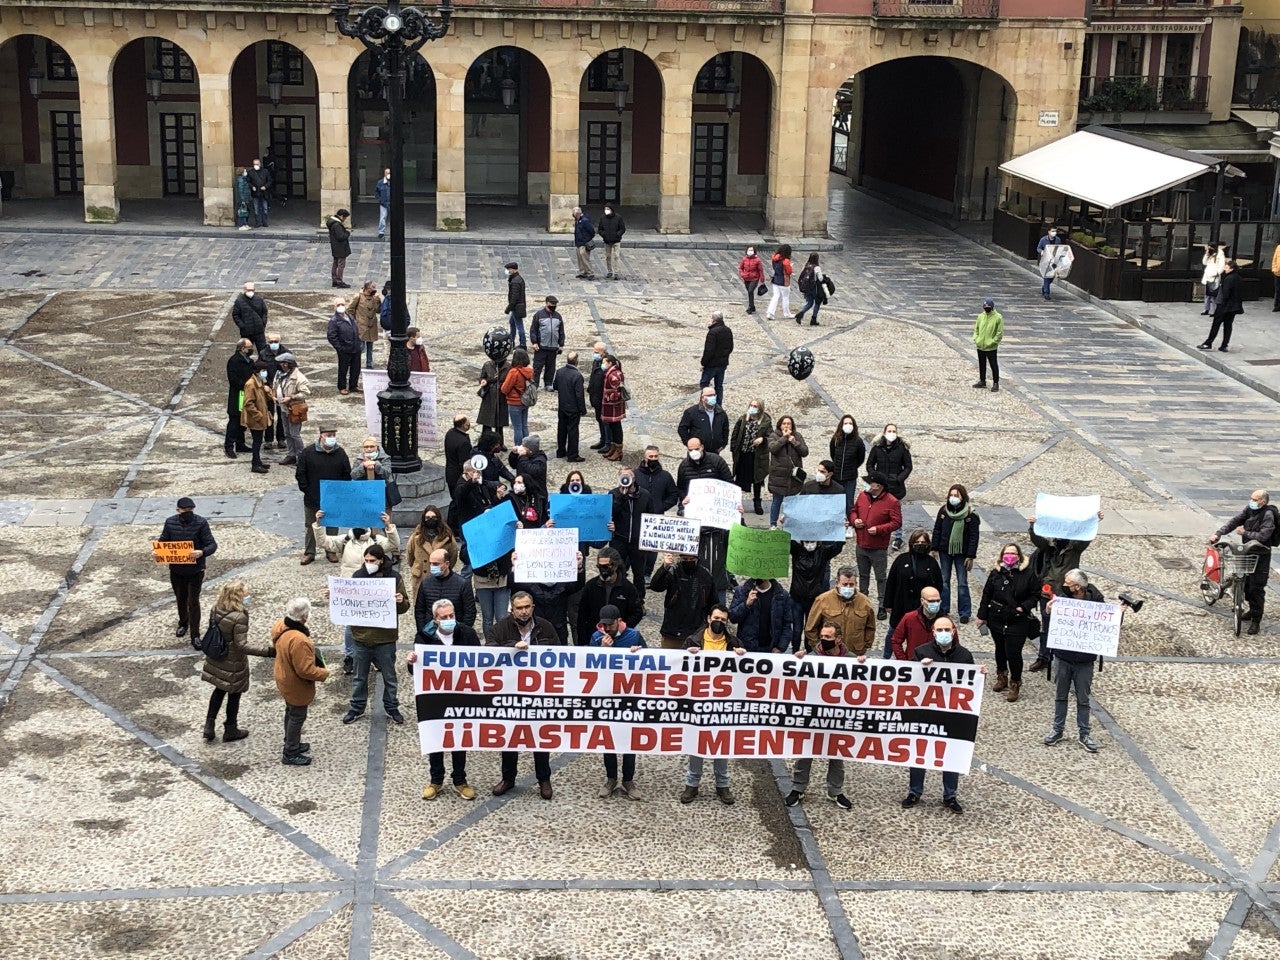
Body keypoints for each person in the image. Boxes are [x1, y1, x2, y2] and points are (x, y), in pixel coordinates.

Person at [901, 616, 985, 814]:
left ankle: (950, 795)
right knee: (919, 751)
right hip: (925, 712)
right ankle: (915, 791)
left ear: (954, 631)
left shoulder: (964, 655)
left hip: (953, 714)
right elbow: (909, 681)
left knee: (951, 752)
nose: (944, 633)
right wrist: (920, 667)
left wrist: (979, 674)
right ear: (933, 632)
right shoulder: (921, 651)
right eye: (940, 630)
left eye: (947, 629)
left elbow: (970, 684)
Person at [1043, 570, 1128, 752]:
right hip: (1063, 656)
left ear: (1078, 587)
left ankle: (1084, 733)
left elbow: (1107, 625)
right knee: (1060, 696)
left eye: (1068, 583)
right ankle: (1057, 730)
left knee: (1083, 699)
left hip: (1084, 661)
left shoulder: (1095, 599)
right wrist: (1049, 612)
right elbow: (1052, 625)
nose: (1065, 585)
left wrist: (1118, 614)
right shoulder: (1062, 596)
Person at [491, 592, 563, 799]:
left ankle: (544, 779)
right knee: (510, 737)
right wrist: (510, 648)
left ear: (533, 607)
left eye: (527, 607)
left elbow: (560, 655)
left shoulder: (546, 627)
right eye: (519, 608)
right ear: (511, 609)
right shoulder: (500, 628)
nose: (523, 611)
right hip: (509, 693)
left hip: (539, 693)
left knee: (539, 738)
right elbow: (489, 651)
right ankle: (508, 778)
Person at [408, 599, 481, 799]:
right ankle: (436, 780)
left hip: (461, 696)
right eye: (444, 617)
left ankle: (460, 780)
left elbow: (481, 663)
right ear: (435, 619)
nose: (449, 620)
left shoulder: (467, 634)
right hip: (435, 697)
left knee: (459, 738)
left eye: (451, 616)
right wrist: (412, 661)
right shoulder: (424, 637)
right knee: (436, 738)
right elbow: (415, 672)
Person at [314, 509, 400, 675]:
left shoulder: (376, 540)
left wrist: (389, 526)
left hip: (372, 590)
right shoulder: (345, 540)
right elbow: (324, 542)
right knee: (349, 627)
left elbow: (393, 543)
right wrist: (318, 524)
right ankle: (350, 656)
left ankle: (374, 657)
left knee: (373, 623)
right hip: (350, 590)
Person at [784, 621, 853, 810]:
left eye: (828, 637)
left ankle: (835, 791)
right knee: (806, 752)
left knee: (836, 755)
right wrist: (796, 662)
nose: (824, 640)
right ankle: (798, 787)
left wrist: (864, 665)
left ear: (838, 639)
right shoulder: (811, 658)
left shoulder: (852, 660)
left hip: (838, 716)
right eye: (822, 637)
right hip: (812, 715)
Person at [681, 605, 744, 804]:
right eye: (717, 618)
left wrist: (743, 657)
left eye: (724, 620)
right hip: (699, 701)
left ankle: (722, 785)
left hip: (724, 702)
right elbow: (679, 671)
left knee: (721, 743)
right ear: (709, 618)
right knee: (697, 742)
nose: (719, 622)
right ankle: (692, 784)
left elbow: (745, 675)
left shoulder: (733, 643)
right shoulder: (693, 641)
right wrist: (686, 656)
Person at [1026, 509, 1103, 671]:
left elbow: (1086, 537)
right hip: (1047, 593)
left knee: (1066, 627)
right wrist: (1032, 526)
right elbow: (1037, 540)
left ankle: (1066, 658)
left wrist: (1094, 521)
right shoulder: (1049, 546)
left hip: (1068, 595)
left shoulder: (1075, 547)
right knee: (1046, 627)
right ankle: (1043, 657)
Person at [343, 543, 409, 725]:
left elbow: (405, 607)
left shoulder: (394, 578)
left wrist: (401, 601)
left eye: (372, 560)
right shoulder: (357, 577)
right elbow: (348, 603)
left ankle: (392, 707)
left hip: (385, 639)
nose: (368, 564)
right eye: (365, 561)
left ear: (381, 560)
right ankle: (356, 708)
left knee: (390, 677)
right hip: (361, 637)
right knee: (359, 677)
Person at [200, 580, 274, 743]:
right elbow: (242, 645)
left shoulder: (216, 608)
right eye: (245, 594)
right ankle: (231, 728)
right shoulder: (239, 616)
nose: (247, 596)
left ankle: (209, 725)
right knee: (234, 694)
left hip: (217, 657)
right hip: (233, 662)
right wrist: (268, 652)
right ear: (237, 596)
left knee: (219, 689)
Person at [589, 604, 646, 797]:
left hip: (630, 696)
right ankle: (611, 778)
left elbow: (651, 661)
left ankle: (628, 780)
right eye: (603, 625)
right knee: (609, 740)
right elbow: (589, 665)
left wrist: (639, 652)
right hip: (607, 696)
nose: (606, 629)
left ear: (619, 621)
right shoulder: (597, 638)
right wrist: (602, 650)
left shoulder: (634, 636)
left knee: (629, 740)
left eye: (610, 625)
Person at [976, 541, 1040, 703]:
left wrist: (1023, 608)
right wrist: (981, 615)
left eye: (1013, 553)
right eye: (1006, 553)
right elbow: (986, 595)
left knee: (1013, 652)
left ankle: (1015, 682)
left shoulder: (1028, 574)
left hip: (1018, 620)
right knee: (1000, 649)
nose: (1009, 556)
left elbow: (1035, 595)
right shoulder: (995, 574)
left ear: (1019, 556)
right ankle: (1001, 676)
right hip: (996, 618)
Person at [271, 598, 329, 766]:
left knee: (290, 712)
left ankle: (291, 740)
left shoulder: (281, 625)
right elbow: (305, 670)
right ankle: (290, 751)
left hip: (283, 676)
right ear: (304, 616)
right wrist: (324, 673)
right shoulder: (299, 640)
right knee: (297, 716)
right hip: (295, 684)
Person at [1210, 489, 1276, 634]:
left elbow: (1264, 535)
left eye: (1254, 499)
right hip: (1246, 551)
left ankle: (1256, 620)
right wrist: (1219, 533)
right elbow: (1235, 521)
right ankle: (1251, 611)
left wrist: (1244, 533)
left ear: (1262, 502)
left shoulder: (1268, 515)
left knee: (1256, 588)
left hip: (1261, 554)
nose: (1251, 501)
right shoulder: (1249, 510)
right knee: (1244, 583)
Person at [156, 496, 218, 641]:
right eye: (185, 510)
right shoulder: (170, 522)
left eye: (190, 509)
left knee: (193, 602)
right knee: (180, 599)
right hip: (177, 570)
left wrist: (201, 552)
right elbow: (163, 541)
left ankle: (195, 634)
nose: (188, 512)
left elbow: (212, 544)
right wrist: (157, 552)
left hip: (195, 570)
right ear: (178, 510)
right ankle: (183, 623)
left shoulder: (201, 523)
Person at [849, 472, 902, 620]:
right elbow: (853, 511)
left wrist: (879, 529)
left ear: (877, 485)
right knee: (863, 575)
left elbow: (896, 522)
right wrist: (855, 520)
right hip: (861, 544)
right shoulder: (862, 496)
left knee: (881, 578)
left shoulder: (892, 502)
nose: (865, 485)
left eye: (869, 482)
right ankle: (863, 603)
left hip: (878, 547)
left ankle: (882, 606)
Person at [882, 529, 943, 657]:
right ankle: (886, 658)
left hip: (921, 608)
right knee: (893, 634)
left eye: (923, 542)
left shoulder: (932, 563)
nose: (920, 544)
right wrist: (888, 603)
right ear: (911, 543)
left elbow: (939, 585)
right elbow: (891, 582)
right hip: (901, 604)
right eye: (917, 542)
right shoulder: (901, 559)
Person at [296, 425, 351, 565]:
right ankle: (309, 552)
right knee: (311, 525)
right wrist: (307, 491)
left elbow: (346, 474)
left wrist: (339, 493)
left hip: (333, 497)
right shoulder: (308, 452)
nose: (331, 438)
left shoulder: (340, 453)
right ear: (321, 436)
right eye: (328, 435)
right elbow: (301, 474)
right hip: (312, 496)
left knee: (332, 525)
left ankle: (331, 550)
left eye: (333, 435)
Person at [931, 484, 980, 623]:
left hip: (962, 553)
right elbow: (937, 530)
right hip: (945, 551)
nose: (953, 498)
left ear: (962, 497)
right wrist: (934, 548)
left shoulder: (970, 514)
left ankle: (964, 612)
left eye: (956, 495)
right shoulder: (944, 511)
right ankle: (944, 609)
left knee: (962, 582)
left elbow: (973, 536)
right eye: (951, 495)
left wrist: (970, 555)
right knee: (944, 581)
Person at [804, 565, 876, 655]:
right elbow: (810, 628)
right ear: (837, 583)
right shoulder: (822, 600)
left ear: (856, 584)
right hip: (829, 654)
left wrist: (865, 646)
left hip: (855, 653)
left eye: (851, 585)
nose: (848, 587)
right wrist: (820, 647)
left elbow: (870, 628)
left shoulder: (865, 602)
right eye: (845, 584)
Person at [578, 547, 643, 645]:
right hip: (595, 638)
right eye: (600, 566)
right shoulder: (591, 586)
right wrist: (583, 643)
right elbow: (582, 616)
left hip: (620, 638)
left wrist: (621, 630)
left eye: (606, 566)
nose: (603, 570)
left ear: (615, 566)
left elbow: (637, 612)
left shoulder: (628, 588)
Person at [652, 551, 717, 648]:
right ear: (680, 558)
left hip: (697, 632)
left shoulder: (706, 575)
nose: (688, 562)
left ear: (697, 559)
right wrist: (664, 568)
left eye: (692, 559)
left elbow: (713, 602)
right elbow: (656, 586)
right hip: (672, 630)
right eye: (685, 559)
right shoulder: (673, 571)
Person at [608, 466, 653, 602]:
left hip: (637, 541)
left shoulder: (644, 495)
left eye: (628, 476)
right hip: (619, 539)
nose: (626, 478)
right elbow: (610, 514)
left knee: (639, 573)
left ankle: (639, 600)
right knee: (618, 570)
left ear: (634, 478)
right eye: (623, 476)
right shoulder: (614, 494)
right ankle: (617, 597)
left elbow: (651, 516)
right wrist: (622, 497)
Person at [789, 537, 843, 650]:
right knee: (797, 629)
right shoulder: (797, 550)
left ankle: (809, 652)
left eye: (812, 541)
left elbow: (837, 547)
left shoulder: (823, 553)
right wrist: (786, 524)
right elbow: (786, 540)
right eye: (807, 541)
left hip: (814, 599)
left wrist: (841, 530)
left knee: (810, 629)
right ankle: (795, 651)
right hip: (797, 598)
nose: (809, 544)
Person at [867, 424, 913, 553]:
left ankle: (898, 537)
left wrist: (899, 478)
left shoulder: (902, 449)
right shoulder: (877, 448)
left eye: (894, 431)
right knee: (879, 511)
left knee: (896, 513)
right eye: (889, 431)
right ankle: (879, 532)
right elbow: (870, 464)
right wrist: (875, 477)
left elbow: (908, 466)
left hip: (896, 486)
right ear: (884, 432)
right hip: (880, 486)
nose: (891, 433)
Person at [414, 546, 477, 637]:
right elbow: (420, 610)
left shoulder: (462, 584)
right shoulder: (425, 583)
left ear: (447, 564)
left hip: (456, 634)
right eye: (430, 563)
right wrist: (423, 632)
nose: (432, 567)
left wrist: (462, 633)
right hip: (431, 633)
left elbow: (469, 612)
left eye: (436, 564)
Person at [730, 575, 796, 654]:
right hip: (747, 649)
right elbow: (733, 618)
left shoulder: (781, 595)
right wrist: (746, 604)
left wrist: (780, 647)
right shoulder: (742, 591)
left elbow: (787, 624)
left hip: (771, 649)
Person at [405, 505, 459, 600]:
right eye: (427, 518)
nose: (431, 520)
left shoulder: (447, 537)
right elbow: (410, 556)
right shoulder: (415, 537)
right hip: (421, 577)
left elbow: (453, 556)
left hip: (441, 576)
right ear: (423, 519)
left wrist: (444, 568)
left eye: (434, 517)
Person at [730, 399, 771, 516]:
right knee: (739, 479)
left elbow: (771, 436)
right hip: (743, 454)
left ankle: (757, 502)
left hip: (756, 456)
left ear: (760, 408)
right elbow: (735, 435)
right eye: (751, 405)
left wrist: (763, 439)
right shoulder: (743, 419)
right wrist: (734, 448)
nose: (752, 407)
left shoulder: (765, 421)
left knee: (757, 480)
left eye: (755, 406)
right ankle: (736, 502)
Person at [766, 415, 808, 529]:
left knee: (791, 502)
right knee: (776, 501)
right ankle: (773, 524)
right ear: (780, 425)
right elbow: (773, 449)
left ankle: (789, 523)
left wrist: (795, 442)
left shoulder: (797, 436)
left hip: (793, 476)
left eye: (788, 424)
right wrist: (784, 438)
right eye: (784, 423)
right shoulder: (773, 436)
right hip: (778, 476)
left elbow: (805, 452)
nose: (786, 426)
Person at [830, 415, 865, 536]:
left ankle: (849, 525)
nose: (848, 425)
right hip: (837, 476)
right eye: (845, 423)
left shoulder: (858, 441)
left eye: (850, 423)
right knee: (836, 501)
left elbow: (861, 458)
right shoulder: (836, 439)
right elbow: (832, 454)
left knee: (849, 503)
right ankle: (838, 524)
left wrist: (852, 467)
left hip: (850, 477)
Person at [273, 353, 310, 467]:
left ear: (287, 364)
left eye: (281, 363)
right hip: (283, 408)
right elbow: (275, 386)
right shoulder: (279, 374)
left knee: (295, 434)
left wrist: (291, 397)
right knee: (287, 433)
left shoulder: (298, 377)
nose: (279, 365)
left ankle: (300, 456)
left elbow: (305, 393)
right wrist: (274, 396)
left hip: (294, 409)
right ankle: (291, 455)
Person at [1200, 259, 1242, 353]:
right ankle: (1224, 345)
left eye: (1226, 267)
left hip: (1224, 305)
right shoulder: (1238, 277)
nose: (1224, 269)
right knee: (1228, 325)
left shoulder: (1228, 278)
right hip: (1233, 306)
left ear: (1231, 268)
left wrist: (1222, 302)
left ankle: (1208, 343)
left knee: (1216, 324)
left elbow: (1226, 293)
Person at [240, 360, 274, 475]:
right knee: (257, 441)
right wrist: (258, 415)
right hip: (255, 418)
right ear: (257, 371)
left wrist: (268, 391)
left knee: (259, 441)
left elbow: (266, 398)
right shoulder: (251, 384)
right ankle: (255, 463)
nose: (265, 373)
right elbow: (248, 403)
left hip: (261, 416)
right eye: (263, 370)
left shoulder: (261, 382)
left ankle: (258, 461)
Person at [891, 587, 944, 661]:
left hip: (937, 666)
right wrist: (903, 661)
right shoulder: (909, 618)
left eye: (938, 601)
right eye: (931, 601)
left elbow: (955, 645)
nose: (935, 603)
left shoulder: (945, 621)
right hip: (913, 664)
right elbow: (896, 641)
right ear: (922, 601)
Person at [552, 351, 587, 462]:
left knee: (561, 429)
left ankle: (561, 451)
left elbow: (555, 386)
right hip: (573, 408)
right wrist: (582, 409)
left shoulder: (560, 372)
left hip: (562, 406)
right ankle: (572, 454)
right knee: (572, 431)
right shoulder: (577, 376)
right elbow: (579, 395)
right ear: (576, 361)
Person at [224, 339, 255, 459]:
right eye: (249, 347)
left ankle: (240, 444)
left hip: (247, 394)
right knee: (234, 420)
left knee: (243, 420)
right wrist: (247, 386)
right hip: (238, 395)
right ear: (242, 349)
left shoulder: (249, 361)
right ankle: (229, 446)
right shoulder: (234, 361)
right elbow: (233, 379)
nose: (251, 349)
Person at [259, 332, 290, 450]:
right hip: (269, 388)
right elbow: (260, 370)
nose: (273, 344)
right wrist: (266, 385)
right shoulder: (263, 354)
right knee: (269, 414)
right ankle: (268, 439)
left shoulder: (286, 353)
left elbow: (291, 371)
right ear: (267, 342)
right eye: (271, 342)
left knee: (282, 414)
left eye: (275, 342)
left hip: (282, 388)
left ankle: (282, 439)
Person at [478, 345, 512, 451]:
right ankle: (484, 444)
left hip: (501, 397)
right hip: (489, 397)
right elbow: (482, 376)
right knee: (487, 423)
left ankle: (500, 443)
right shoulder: (487, 365)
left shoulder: (508, 366)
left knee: (499, 423)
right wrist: (482, 381)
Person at [678, 386, 729, 455]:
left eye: (714, 395)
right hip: (696, 451)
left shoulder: (721, 413)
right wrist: (689, 443)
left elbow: (725, 429)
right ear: (702, 398)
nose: (712, 397)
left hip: (714, 452)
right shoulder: (691, 412)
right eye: (709, 395)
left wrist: (723, 444)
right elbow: (682, 429)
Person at [699, 311, 734, 410]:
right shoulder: (728, 330)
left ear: (713, 320)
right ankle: (718, 406)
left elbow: (708, 351)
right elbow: (730, 347)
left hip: (711, 365)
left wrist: (703, 363)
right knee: (719, 386)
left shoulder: (712, 333)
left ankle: (703, 405)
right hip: (722, 364)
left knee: (704, 384)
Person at [326, 298, 362, 395]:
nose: (341, 306)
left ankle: (353, 385)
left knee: (356, 368)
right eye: (338, 305)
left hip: (355, 347)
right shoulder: (334, 321)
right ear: (335, 307)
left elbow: (355, 329)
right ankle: (342, 386)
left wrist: (359, 341)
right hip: (344, 348)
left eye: (342, 304)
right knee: (343, 368)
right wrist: (339, 347)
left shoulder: (349, 316)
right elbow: (331, 336)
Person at [500, 347, 534, 446]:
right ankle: (526, 446)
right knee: (524, 426)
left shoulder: (514, 372)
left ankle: (519, 448)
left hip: (514, 403)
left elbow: (504, 389)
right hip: (525, 401)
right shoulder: (529, 371)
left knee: (517, 427)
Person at [530, 295, 564, 391]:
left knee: (551, 367)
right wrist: (534, 342)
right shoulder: (539, 315)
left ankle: (548, 383)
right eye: (552, 304)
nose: (553, 306)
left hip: (553, 347)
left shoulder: (558, 316)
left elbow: (561, 331)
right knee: (537, 367)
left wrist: (561, 344)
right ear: (546, 303)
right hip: (541, 347)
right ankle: (535, 384)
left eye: (555, 304)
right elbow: (534, 329)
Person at [971, 298, 1003, 392]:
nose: (987, 310)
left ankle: (996, 383)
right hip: (980, 345)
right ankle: (982, 380)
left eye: (988, 308)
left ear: (992, 308)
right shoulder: (981, 316)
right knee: (982, 364)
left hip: (991, 346)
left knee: (993, 365)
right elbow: (976, 329)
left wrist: (993, 341)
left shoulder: (998, 317)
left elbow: (999, 332)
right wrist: (976, 339)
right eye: (985, 308)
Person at [600, 352, 627, 462]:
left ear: (610, 363)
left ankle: (618, 450)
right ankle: (614, 447)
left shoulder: (614, 375)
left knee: (616, 427)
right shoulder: (611, 372)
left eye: (604, 363)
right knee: (612, 426)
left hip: (613, 407)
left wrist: (609, 397)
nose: (603, 365)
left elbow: (617, 391)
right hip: (610, 406)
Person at [352, 281, 382, 370]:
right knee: (361, 346)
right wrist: (355, 320)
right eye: (373, 287)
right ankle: (356, 362)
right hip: (361, 325)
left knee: (370, 345)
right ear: (367, 288)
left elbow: (378, 310)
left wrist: (378, 301)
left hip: (371, 325)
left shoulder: (374, 297)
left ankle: (369, 363)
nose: (374, 289)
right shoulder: (358, 296)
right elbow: (350, 309)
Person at [1037, 230, 1073, 301]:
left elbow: (1060, 248)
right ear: (1048, 231)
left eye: (1055, 231)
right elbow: (1038, 248)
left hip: (1055, 261)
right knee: (1047, 276)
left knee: (1051, 276)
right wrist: (1041, 252)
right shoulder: (1043, 239)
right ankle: (1047, 293)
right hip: (1046, 261)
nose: (1054, 232)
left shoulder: (1057, 239)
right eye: (1052, 231)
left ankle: (1044, 287)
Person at [232, 281, 268, 351]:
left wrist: (263, 323)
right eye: (249, 290)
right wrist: (242, 326)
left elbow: (264, 312)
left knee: (263, 351)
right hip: (246, 332)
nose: (250, 292)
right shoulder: (239, 301)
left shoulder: (259, 300)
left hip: (259, 331)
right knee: (246, 350)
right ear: (244, 290)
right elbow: (235, 315)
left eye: (252, 290)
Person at [444, 415, 473, 496]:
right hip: (458, 478)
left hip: (450, 474)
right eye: (468, 424)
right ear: (464, 425)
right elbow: (464, 463)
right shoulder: (464, 443)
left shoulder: (450, 433)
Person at [793, 253, 825, 326]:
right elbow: (820, 279)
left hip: (806, 288)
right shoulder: (817, 268)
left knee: (809, 303)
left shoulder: (806, 265)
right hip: (814, 288)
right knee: (817, 302)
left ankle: (801, 313)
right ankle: (813, 319)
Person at [588, 341, 609, 452]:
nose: (594, 353)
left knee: (605, 421)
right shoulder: (596, 362)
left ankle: (607, 442)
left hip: (603, 398)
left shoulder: (607, 364)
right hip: (595, 396)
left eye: (596, 352)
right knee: (599, 419)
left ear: (603, 352)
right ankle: (602, 439)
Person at [598, 203, 626, 280]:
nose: (606, 211)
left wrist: (618, 235)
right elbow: (600, 229)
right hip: (607, 241)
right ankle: (609, 271)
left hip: (616, 240)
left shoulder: (618, 217)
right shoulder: (603, 218)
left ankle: (616, 272)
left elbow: (622, 228)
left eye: (608, 209)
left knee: (616, 256)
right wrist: (604, 235)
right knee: (608, 256)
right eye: (605, 209)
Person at [765, 243, 793, 321]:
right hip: (784, 280)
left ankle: (770, 312)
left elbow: (774, 267)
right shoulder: (786, 261)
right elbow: (789, 271)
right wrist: (791, 267)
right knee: (785, 297)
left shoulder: (774, 258)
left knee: (775, 296)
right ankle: (787, 313)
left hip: (776, 278)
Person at [504, 261, 528, 350]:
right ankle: (511, 341)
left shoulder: (515, 281)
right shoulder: (517, 279)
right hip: (518, 306)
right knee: (512, 323)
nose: (507, 271)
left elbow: (514, 297)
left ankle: (523, 344)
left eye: (509, 269)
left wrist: (508, 308)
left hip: (517, 307)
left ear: (513, 270)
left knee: (519, 325)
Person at [327, 208, 352, 289]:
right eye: (344, 218)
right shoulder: (337, 225)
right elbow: (341, 237)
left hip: (335, 247)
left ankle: (334, 280)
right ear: (341, 216)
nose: (345, 220)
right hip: (340, 248)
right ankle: (339, 281)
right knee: (341, 264)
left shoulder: (332, 223)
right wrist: (348, 233)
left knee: (335, 263)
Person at [738, 244, 766, 314]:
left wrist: (762, 279)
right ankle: (752, 306)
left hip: (754, 278)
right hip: (746, 278)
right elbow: (740, 268)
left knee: (750, 291)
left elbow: (760, 270)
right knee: (749, 292)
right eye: (749, 250)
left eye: (751, 250)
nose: (750, 251)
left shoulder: (757, 260)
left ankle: (750, 307)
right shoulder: (744, 259)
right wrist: (742, 274)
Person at [573, 206, 598, 280]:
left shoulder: (584, 221)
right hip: (578, 242)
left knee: (585, 258)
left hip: (584, 243)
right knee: (580, 258)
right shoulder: (577, 220)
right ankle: (583, 272)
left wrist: (586, 239)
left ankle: (590, 272)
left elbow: (592, 231)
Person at [1201, 242, 1226, 316]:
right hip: (1208, 275)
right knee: (1207, 294)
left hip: (1214, 276)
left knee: (1214, 294)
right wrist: (1206, 255)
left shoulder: (1220, 253)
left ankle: (1213, 310)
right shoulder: (1209, 253)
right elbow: (1204, 263)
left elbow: (1222, 265)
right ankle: (1206, 309)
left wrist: (1217, 273)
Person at [246, 157, 272, 227]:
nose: (256, 166)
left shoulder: (265, 171)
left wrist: (265, 186)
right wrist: (252, 187)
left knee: (265, 208)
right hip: (255, 193)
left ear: (260, 164)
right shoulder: (251, 172)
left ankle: (265, 222)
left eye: (257, 164)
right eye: (254, 164)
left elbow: (269, 181)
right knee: (256, 209)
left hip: (264, 193)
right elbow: (248, 181)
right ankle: (258, 222)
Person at [375, 167, 391, 240]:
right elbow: (376, 191)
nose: (388, 174)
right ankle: (381, 232)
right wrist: (379, 199)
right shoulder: (380, 182)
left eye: (389, 173)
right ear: (385, 174)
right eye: (387, 173)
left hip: (391, 202)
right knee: (383, 217)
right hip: (383, 203)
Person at [234, 167, 252, 231]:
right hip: (243, 199)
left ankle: (245, 224)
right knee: (242, 212)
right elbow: (241, 190)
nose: (245, 172)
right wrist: (243, 200)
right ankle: (241, 225)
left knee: (245, 211)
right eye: (244, 171)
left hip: (245, 198)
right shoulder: (241, 180)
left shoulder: (243, 179)